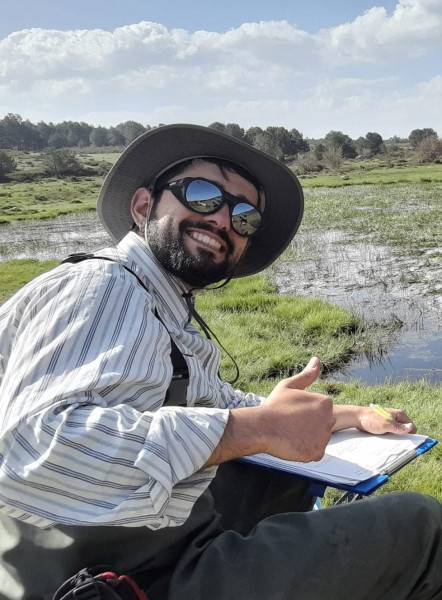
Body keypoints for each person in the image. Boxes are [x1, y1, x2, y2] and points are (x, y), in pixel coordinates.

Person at [0, 124, 440, 600]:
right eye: (203, 194)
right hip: (109, 582)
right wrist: (256, 428)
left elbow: (215, 401)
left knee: (275, 477)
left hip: (132, 550)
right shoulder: (105, 286)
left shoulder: (157, 301)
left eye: (245, 216)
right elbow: (35, 449)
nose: (224, 219)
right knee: (421, 526)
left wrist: (347, 415)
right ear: (144, 206)